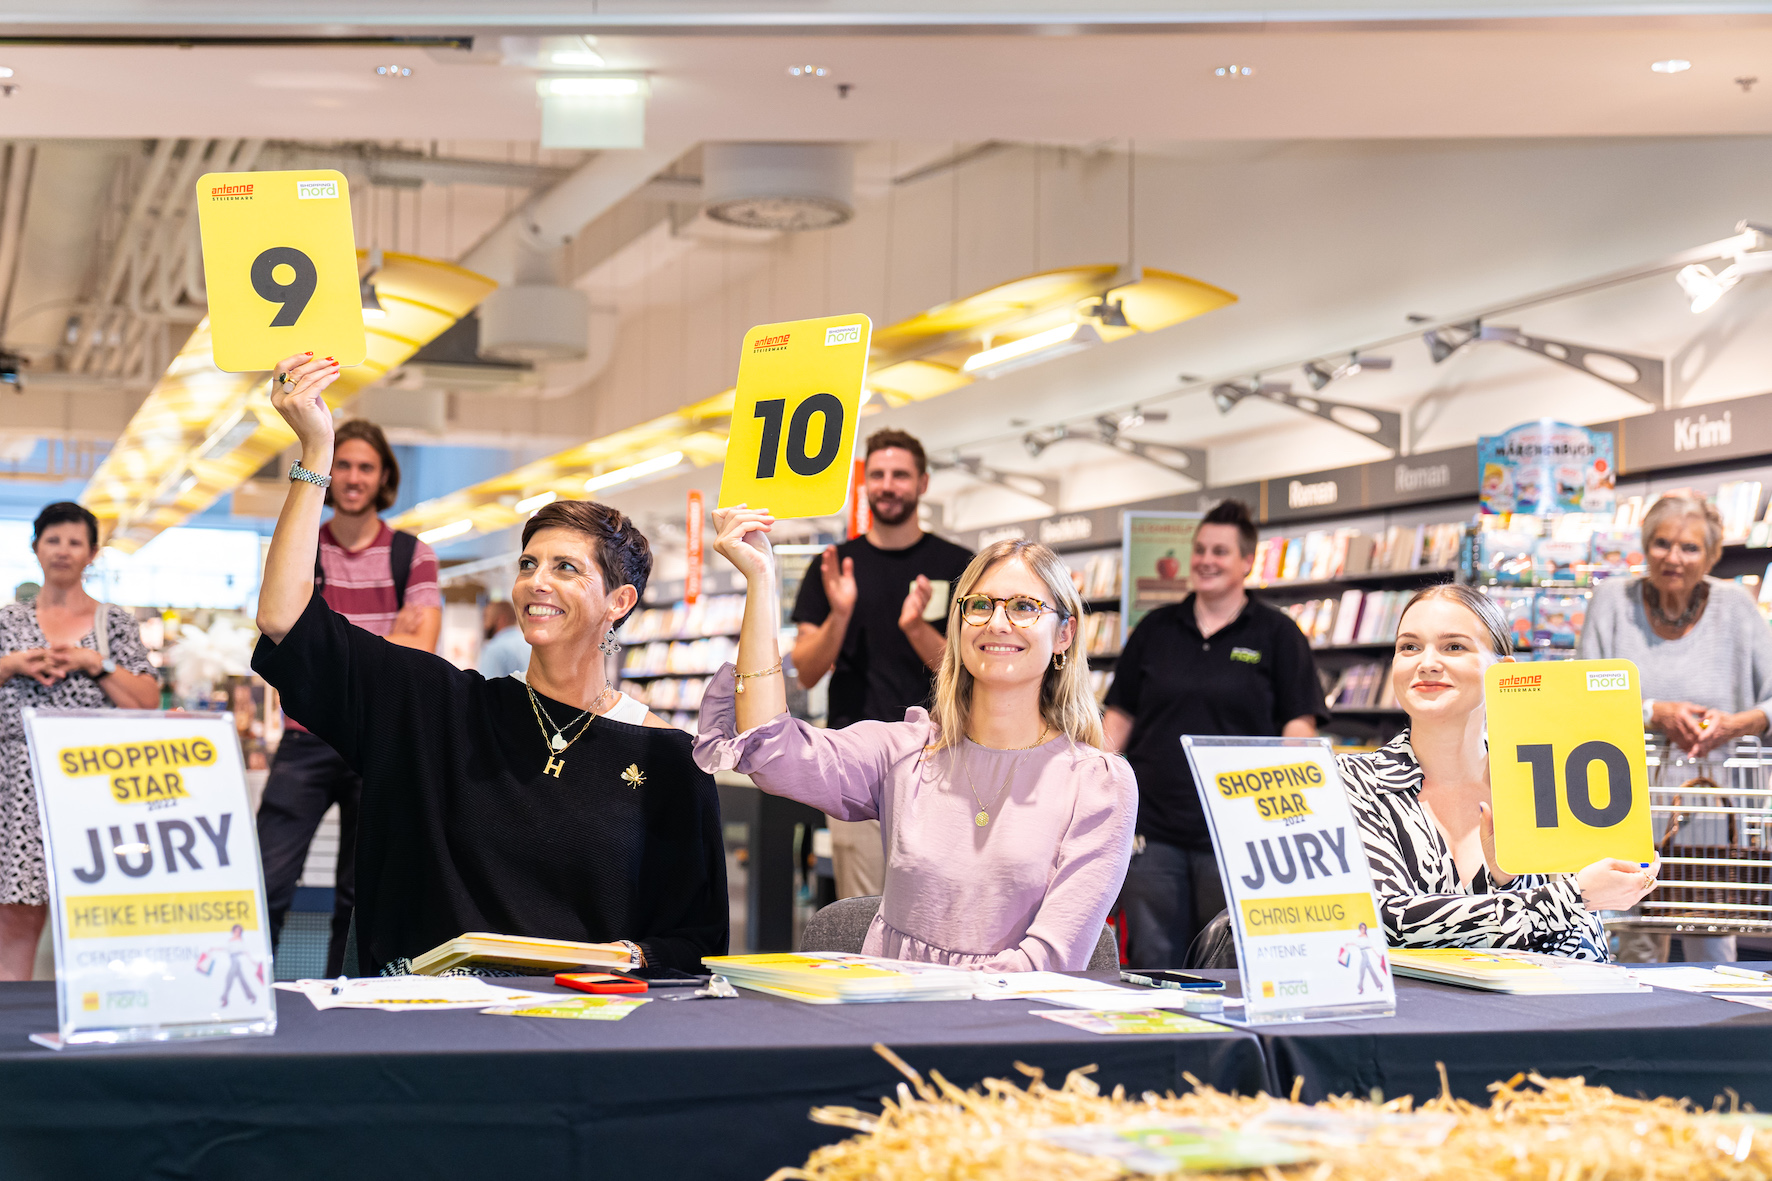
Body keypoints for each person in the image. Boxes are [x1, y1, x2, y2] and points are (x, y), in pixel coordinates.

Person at [252, 352, 726, 975]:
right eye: (528, 564)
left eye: (565, 568)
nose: (536, 582)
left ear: (620, 601)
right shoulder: (437, 709)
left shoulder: (670, 761)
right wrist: (315, 453)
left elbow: (697, 942)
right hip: (437, 1031)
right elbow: (286, 619)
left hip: (584, 1036)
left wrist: (623, 958)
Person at [699, 506, 1135, 971]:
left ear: (1065, 633)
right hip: (888, 1020)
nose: (998, 623)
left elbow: (1050, 960)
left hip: (1009, 1027)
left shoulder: (1098, 785)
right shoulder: (905, 754)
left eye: (1025, 607)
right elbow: (771, 748)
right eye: (980, 605)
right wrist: (761, 582)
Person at [1338, 584, 1658, 960]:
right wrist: (1571, 895)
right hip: (1411, 1017)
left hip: (1537, 1016)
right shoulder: (1354, 782)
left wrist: (1511, 883)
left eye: (1453, 646)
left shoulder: (1547, 778)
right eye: (1409, 647)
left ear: (1502, 672)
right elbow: (1383, 920)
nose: (1426, 662)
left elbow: (1584, 951)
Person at [255, 417, 444, 978]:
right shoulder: (302, 547)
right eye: (343, 464)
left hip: (379, 742)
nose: (354, 477)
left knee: (362, 895)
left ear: (383, 476)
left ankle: (344, 1003)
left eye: (366, 466)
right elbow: (281, 636)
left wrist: (327, 635)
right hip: (305, 738)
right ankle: (250, 989)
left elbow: (422, 654)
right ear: (328, 473)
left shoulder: (413, 554)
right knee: (264, 879)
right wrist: (385, 639)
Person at [1103, 499, 1327, 968]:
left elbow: (1299, 728)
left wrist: (1294, 816)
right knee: (1152, 960)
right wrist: (1094, 788)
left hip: (1240, 829)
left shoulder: (1278, 634)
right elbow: (1118, 719)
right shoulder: (1155, 629)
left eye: (1220, 551)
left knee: (1233, 960)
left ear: (1247, 561)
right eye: (1200, 549)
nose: (1206, 560)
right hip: (1152, 827)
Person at [1578, 490, 1772, 963]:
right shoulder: (1611, 601)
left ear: (1711, 554)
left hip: (1712, 812)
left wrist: (1737, 723)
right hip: (1622, 805)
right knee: (1632, 950)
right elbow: (1582, 694)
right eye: (1662, 543)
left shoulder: (1737, 607)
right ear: (1646, 545)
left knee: (1714, 951)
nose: (1674, 557)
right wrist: (1652, 712)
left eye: (1690, 548)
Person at [789, 429, 973, 899]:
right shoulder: (835, 565)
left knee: (938, 902)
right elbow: (806, 670)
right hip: (854, 764)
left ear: (923, 483)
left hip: (943, 758)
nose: (888, 485)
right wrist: (841, 614)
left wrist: (915, 628)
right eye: (878, 475)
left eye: (900, 475)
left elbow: (970, 669)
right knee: (862, 907)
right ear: (864, 483)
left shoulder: (958, 565)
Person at [0, 502, 159, 980]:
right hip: (17, 789)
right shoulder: (8, 622)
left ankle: (94, 1027)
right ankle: (10, 1042)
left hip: (94, 790)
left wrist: (97, 665)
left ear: (92, 553)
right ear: (35, 548)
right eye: (53, 540)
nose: (63, 551)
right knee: (15, 917)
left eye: (75, 542)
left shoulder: (114, 623)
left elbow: (146, 699)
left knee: (95, 915)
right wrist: (12, 665)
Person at [479, 599, 530, 680]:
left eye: (487, 618)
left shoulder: (494, 648)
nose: (485, 625)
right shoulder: (529, 644)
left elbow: (486, 688)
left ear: (501, 619)